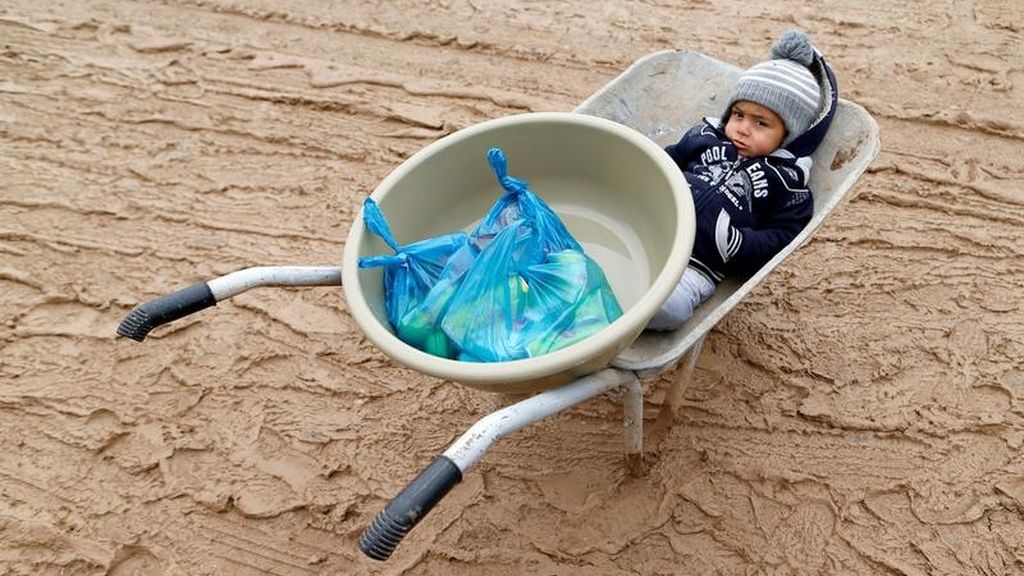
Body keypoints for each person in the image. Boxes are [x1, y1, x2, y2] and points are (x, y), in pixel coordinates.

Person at [647, 30, 839, 331]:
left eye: (761, 123)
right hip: (653, 233)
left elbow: (782, 236)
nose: (743, 129)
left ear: (788, 134)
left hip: (699, 264)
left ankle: (621, 311)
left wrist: (738, 244)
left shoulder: (787, 183)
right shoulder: (705, 137)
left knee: (670, 309)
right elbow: (663, 162)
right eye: (738, 114)